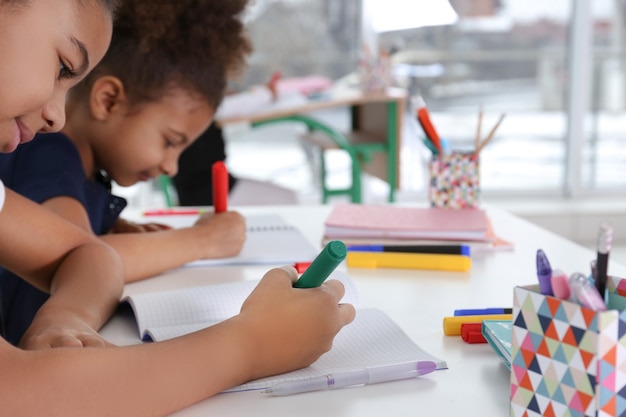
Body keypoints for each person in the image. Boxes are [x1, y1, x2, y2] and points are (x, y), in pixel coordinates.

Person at [0, 1, 355, 416]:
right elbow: (20, 392)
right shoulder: (51, 155)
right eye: (63, 67)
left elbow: (90, 252)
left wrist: (65, 319)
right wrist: (252, 343)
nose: (56, 117)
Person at [0, 0, 257, 343]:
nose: (171, 165)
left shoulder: (81, 170)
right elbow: (86, 253)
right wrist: (202, 240)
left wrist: (115, 228)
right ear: (107, 100)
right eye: (169, 141)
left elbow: (81, 247)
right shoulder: (49, 151)